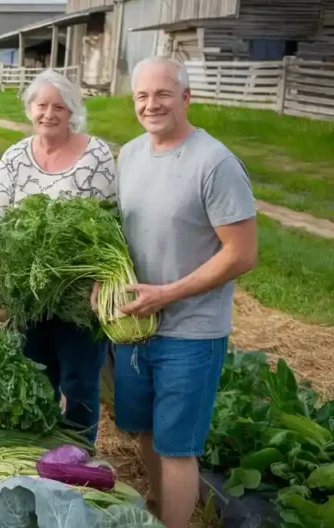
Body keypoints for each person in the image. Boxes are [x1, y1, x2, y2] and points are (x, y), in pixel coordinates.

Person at [109, 56, 257, 528]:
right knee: (146, 431)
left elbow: (242, 254)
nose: (152, 105)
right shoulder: (130, 154)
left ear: (187, 98)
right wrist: (104, 284)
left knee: (177, 446)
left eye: (163, 95)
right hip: (136, 325)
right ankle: (157, 507)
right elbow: (120, 232)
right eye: (142, 96)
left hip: (191, 331)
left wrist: (168, 294)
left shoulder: (214, 163)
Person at [0, 70, 117, 443]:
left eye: (60, 106)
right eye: (42, 105)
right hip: (28, 296)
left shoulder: (96, 155)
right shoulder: (14, 158)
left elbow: (109, 224)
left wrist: (103, 278)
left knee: (80, 383)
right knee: (34, 377)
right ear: (30, 109)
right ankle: (38, 455)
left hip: (78, 295)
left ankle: (77, 458)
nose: (49, 114)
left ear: (72, 111)